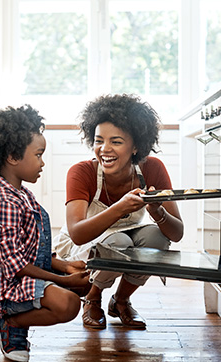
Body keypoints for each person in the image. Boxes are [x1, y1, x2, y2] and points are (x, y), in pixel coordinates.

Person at [0, 105, 91, 362]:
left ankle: (22, 318)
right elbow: (15, 265)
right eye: (38, 154)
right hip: (6, 286)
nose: (42, 162)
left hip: (24, 273)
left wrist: (65, 266)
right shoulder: (5, 203)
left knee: (86, 284)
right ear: (13, 156)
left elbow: (31, 249)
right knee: (69, 305)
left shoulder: (21, 194)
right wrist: (64, 281)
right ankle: (12, 326)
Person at [53, 94, 184, 330]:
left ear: (136, 146)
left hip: (130, 232)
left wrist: (157, 211)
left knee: (156, 237)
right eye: (98, 140)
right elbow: (77, 234)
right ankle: (92, 297)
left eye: (116, 141)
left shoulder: (152, 168)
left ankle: (121, 301)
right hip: (86, 241)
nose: (104, 149)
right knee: (117, 240)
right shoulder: (81, 172)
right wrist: (120, 207)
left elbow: (176, 233)